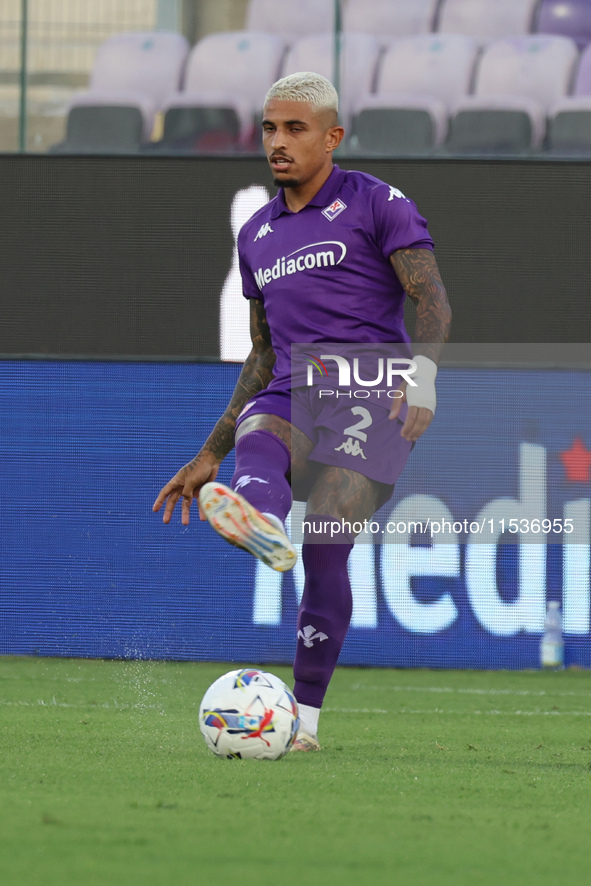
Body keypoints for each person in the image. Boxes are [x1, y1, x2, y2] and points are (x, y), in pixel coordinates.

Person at [153, 72, 451, 752]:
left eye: (293, 128)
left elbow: (431, 300)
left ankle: (304, 725)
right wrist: (209, 453)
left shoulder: (377, 203)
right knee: (263, 420)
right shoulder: (257, 233)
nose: (277, 142)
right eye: (267, 128)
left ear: (331, 136)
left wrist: (424, 377)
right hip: (292, 386)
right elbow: (260, 358)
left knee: (325, 541)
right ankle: (255, 509)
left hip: (372, 394)